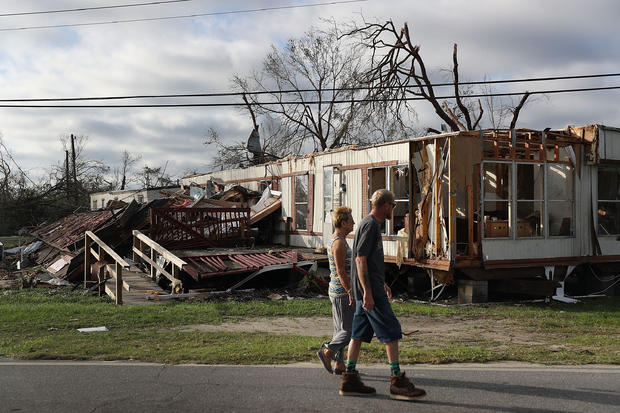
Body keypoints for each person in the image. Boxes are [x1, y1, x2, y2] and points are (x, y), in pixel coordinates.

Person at [339, 189, 426, 401]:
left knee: (357, 335)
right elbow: (360, 260)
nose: (393, 209)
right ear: (385, 205)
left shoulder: (367, 224)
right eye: (393, 205)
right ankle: (397, 381)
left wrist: (381, 282)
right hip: (371, 294)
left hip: (369, 291)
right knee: (392, 332)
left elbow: (368, 261)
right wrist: (368, 292)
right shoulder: (370, 226)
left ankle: (349, 379)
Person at [317, 206, 356, 375]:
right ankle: (328, 351)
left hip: (336, 290)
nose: (354, 223)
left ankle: (339, 364)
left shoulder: (338, 239)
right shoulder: (339, 243)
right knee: (350, 330)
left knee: (340, 329)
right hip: (341, 292)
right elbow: (341, 271)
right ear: (343, 222)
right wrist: (350, 291)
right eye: (351, 220)